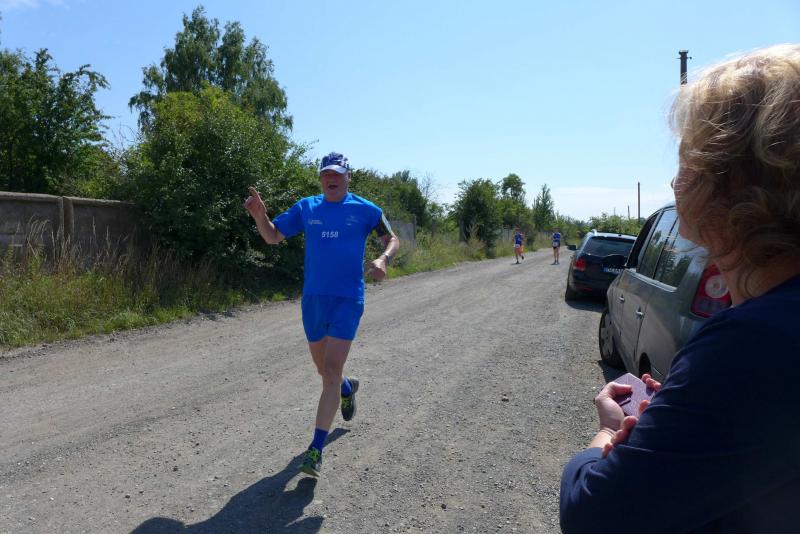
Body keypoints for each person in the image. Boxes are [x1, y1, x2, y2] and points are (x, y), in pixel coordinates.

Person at [560, 45, 800, 533]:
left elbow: (594, 515)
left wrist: (606, 433)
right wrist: (684, 409)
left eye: (687, 158)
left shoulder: (754, 343)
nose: (675, 180)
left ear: (727, 182)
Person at [244, 152, 400, 477]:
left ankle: (315, 450)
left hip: (348, 299)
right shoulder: (307, 207)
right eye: (326, 174)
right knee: (324, 370)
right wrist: (260, 216)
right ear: (320, 178)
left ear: (348, 177)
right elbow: (273, 236)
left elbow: (392, 238)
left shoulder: (366, 210)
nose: (332, 178)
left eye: (338, 174)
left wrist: (383, 259)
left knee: (330, 370)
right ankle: (346, 388)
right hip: (314, 299)